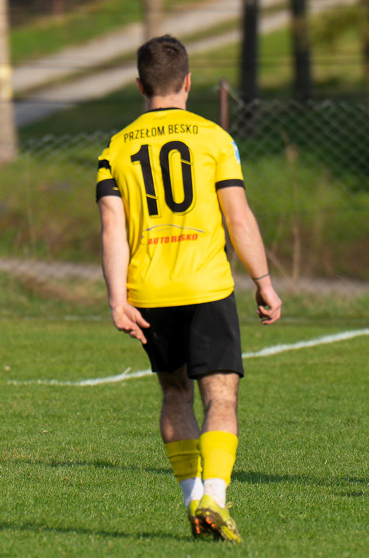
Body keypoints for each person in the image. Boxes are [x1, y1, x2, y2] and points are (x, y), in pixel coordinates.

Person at [96, 35, 282, 542]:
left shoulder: (116, 149)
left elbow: (113, 230)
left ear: (139, 85)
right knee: (220, 395)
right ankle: (215, 501)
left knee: (175, 392)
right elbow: (237, 215)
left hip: (149, 290)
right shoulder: (215, 139)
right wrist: (263, 281)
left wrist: (117, 299)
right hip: (207, 285)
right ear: (189, 82)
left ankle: (191, 502)